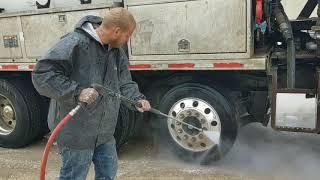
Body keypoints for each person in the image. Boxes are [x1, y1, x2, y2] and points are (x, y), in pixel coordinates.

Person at [32, 7, 151, 180]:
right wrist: (77, 92)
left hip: (105, 133)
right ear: (117, 31)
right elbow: (42, 75)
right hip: (76, 133)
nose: (128, 40)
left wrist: (136, 99)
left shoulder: (116, 51)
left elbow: (124, 82)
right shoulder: (74, 43)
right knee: (74, 176)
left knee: (108, 174)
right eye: (128, 35)